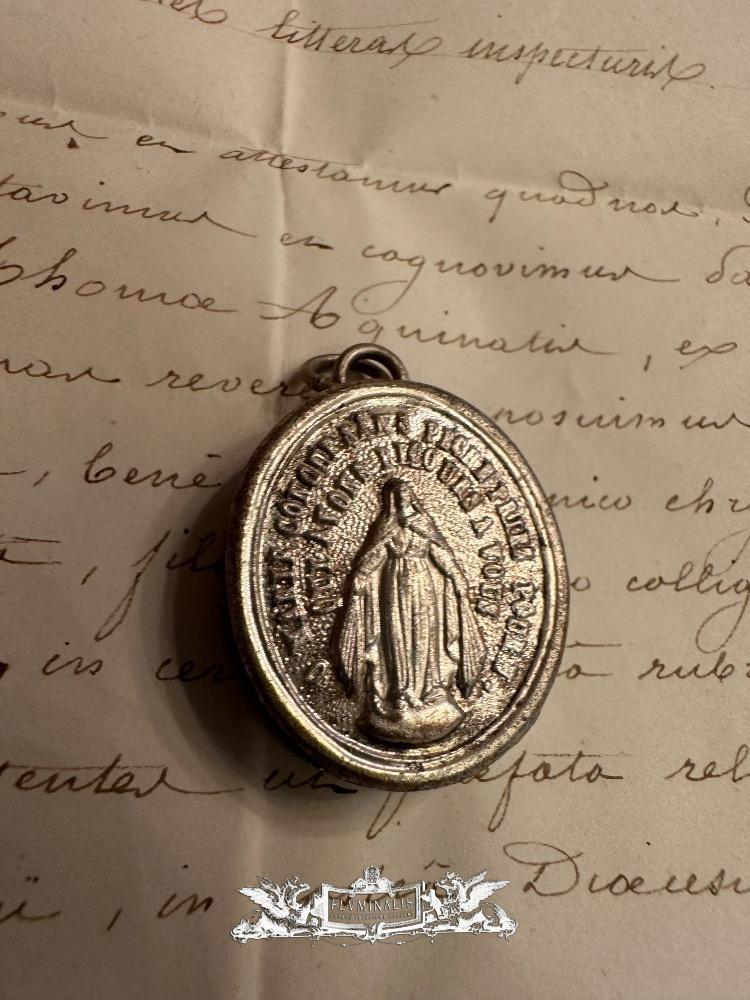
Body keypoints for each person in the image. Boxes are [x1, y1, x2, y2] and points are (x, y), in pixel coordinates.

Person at [337, 477, 486, 744]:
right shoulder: (387, 527)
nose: (403, 498)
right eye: (398, 495)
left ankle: (430, 688)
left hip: (423, 586)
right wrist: (361, 574)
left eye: (406, 494)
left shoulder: (424, 524)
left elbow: (441, 554)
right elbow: (375, 555)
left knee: (425, 637)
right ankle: (400, 691)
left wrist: (457, 577)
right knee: (397, 637)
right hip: (393, 586)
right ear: (392, 501)